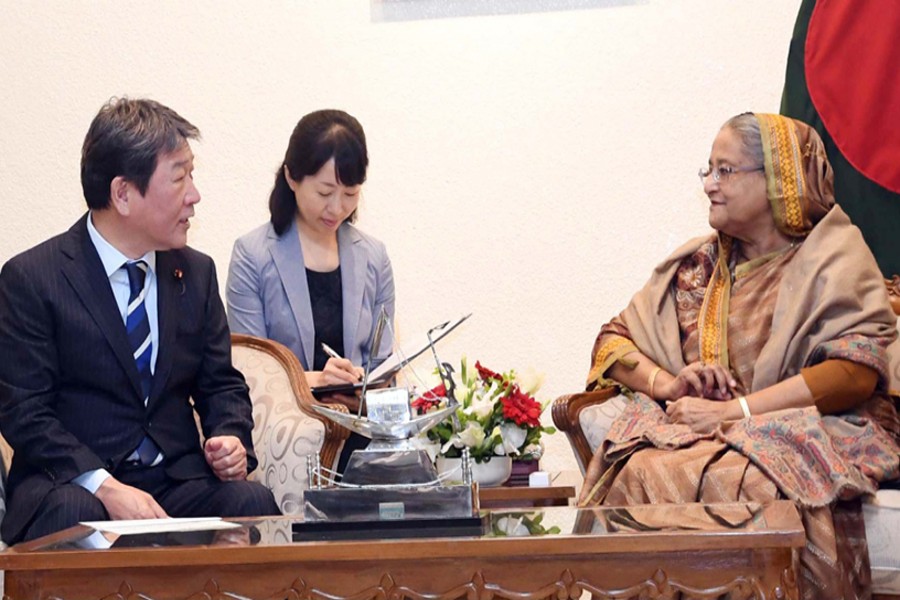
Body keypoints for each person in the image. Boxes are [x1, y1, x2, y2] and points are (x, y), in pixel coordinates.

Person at [579, 113, 900, 599]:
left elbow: (855, 373)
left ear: (778, 179)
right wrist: (670, 383)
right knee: (642, 469)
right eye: (707, 170)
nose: (709, 184)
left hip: (811, 424)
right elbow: (614, 342)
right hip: (704, 429)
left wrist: (735, 412)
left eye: (725, 170)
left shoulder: (832, 257)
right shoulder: (696, 266)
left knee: (751, 480)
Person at [0, 97, 279, 545]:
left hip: (175, 481)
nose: (194, 195)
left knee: (250, 502)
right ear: (123, 194)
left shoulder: (196, 272)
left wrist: (230, 436)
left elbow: (221, 384)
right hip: (75, 484)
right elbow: (25, 412)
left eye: (193, 175)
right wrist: (104, 485)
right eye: (179, 178)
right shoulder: (33, 278)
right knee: (74, 515)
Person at [226, 109, 394, 472]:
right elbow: (246, 372)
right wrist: (317, 381)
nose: (337, 208)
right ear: (291, 176)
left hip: (361, 431)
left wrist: (362, 386)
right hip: (285, 437)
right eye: (324, 192)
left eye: (350, 193)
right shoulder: (253, 255)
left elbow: (384, 367)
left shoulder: (373, 257)